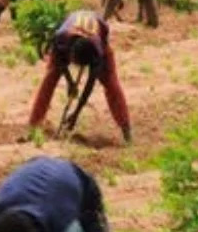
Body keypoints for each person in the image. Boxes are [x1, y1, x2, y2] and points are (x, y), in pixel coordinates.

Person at [28, 9, 132, 143]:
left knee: (111, 82)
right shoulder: (61, 38)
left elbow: (91, 81)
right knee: (50, 78)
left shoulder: (96, 49)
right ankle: (33, 126)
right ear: (70, 52)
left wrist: (76, 113)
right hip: (67, 38)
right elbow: (59, 62)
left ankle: (126, 128)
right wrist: (70, 82)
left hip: (99, 38)